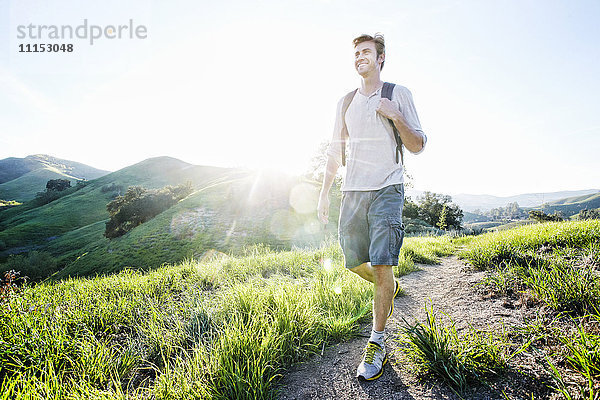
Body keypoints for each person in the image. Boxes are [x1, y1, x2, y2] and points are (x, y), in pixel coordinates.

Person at [317, 33, 427, 381]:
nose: (360, 57)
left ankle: (377, 341)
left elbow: (418, 145)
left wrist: (395, 116)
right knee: (353, 262)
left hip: (387, 188)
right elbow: (335, 151)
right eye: (356, 53)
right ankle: (388, 285)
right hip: (352, 192)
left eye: (366, 52)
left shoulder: (398, 94)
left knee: (381, 263)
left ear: (381, 59)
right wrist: (323, 194)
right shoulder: (345, 102)